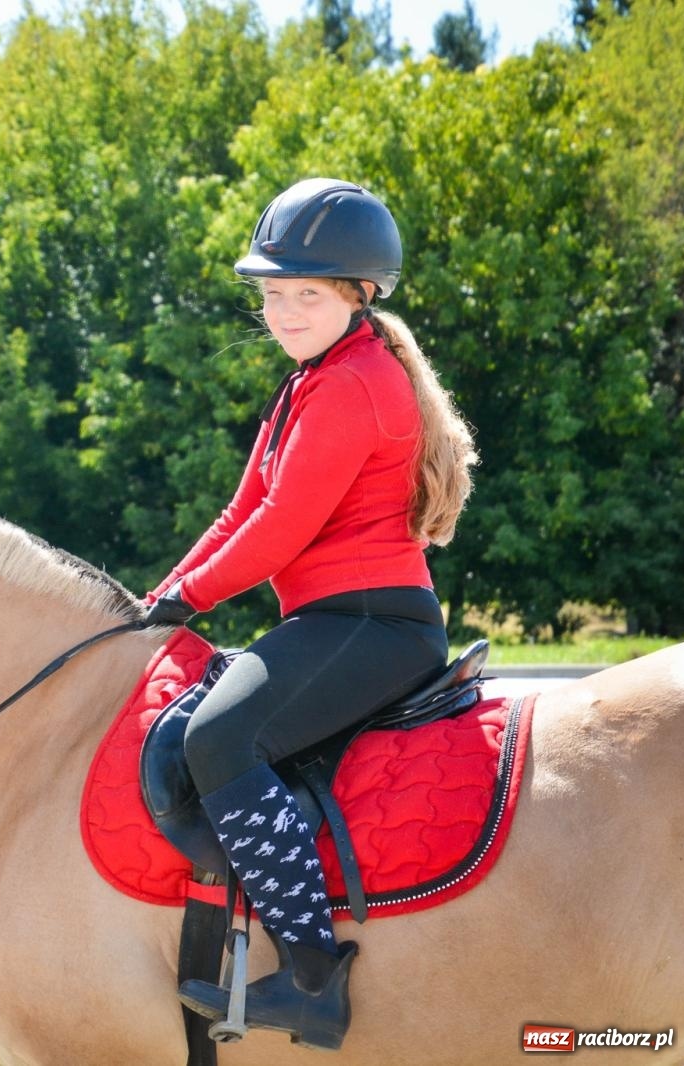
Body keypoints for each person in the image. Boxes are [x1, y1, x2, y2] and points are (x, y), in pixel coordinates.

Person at [143, 178, 478, 1048]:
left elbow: (283, 530)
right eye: (273, 295)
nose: (284, 312)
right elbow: (238, 512)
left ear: (358, 296)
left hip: (373, 624)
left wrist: (194, 597)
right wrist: (158, 601)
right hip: (331, 620)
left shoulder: (352, 385)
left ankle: (314, 977)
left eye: (307, 295)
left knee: (218, 740)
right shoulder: (308, 382)